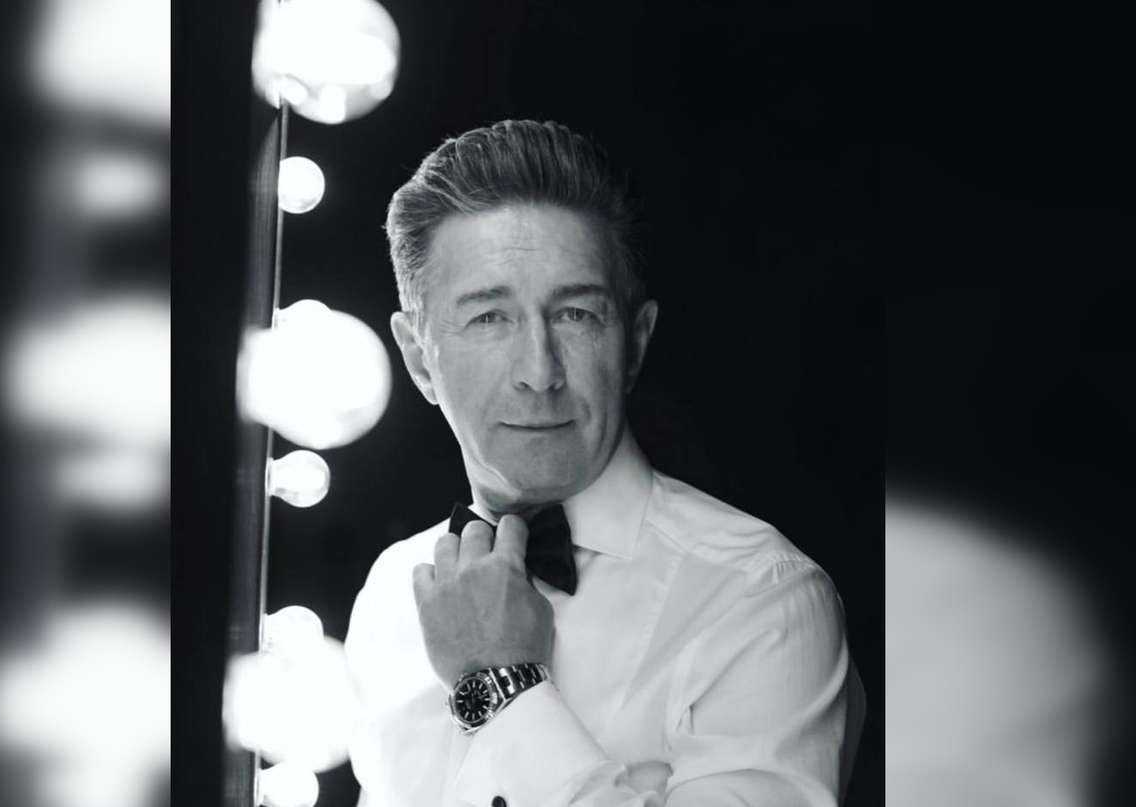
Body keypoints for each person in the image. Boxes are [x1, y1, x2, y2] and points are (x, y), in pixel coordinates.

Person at [344, 119, 865, 807]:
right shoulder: (390, 593)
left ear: (635, 343)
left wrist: (502, 684)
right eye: (489, 318)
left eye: (576, 315)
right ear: (418, 359)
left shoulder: (763, 598)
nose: (539, 372)